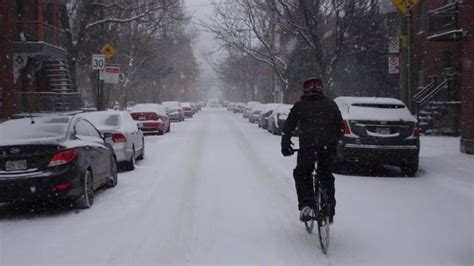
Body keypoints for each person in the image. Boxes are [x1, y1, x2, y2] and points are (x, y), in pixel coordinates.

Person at [281, 78, 343, 224]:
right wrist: (337, 145)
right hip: (327, 147)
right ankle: (329, 211)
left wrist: (286, 144)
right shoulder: (331, 104)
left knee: (302, 173)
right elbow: (340, 127)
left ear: (305, 90)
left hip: (308, 147)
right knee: (326, 176)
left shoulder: (300, 105)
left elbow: (288, 127)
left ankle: (307, 205)